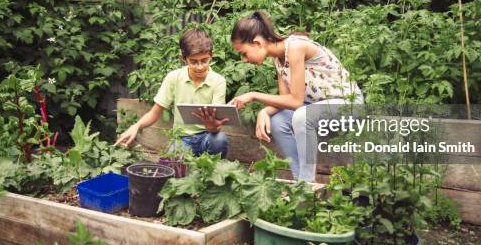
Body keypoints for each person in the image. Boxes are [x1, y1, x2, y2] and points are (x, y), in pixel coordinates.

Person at [229, 10, 363, 181]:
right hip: (317, 106)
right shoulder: (277, 59)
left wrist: (254, 95)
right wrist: (265, 112)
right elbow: (287, 101)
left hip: (349, 103)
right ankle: (298, 180)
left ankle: (307, 185)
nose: (244, 60)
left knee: (301, 116)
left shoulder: (295, 47)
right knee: (277, 122)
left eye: (244, 53)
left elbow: (296, 101)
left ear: (257, 43)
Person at [115, 29, 229, 157]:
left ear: (211, 56)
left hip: (208, 136)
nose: (200, 67)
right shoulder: (174, 78)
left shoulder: (218, 81)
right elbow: (154, 113)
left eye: (204, 60)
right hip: (182, 139)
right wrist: (136, 126)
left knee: (220, 139)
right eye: (194, 62)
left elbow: (217, 126)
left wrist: (212, 127)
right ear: (183, 58)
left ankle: (212, 173)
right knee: (173, 164)